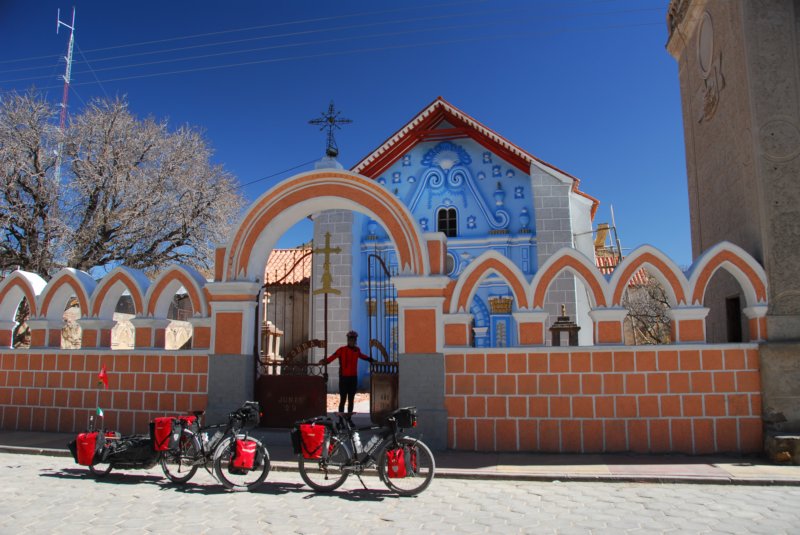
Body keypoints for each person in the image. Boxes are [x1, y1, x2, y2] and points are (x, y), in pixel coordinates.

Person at [319, 330, 374, 413]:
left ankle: (348, 419)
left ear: (355, 340)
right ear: (348, 340)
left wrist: (371, 359)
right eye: (350, 339)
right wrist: (325, 361)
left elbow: (362, 356)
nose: (352, 341)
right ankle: (341, 420)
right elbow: (332, 357)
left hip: (353, 378)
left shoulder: (357, 350)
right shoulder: (342, 350)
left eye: (353, 339)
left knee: (351, 399)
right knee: (343, 399)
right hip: (344, 378)